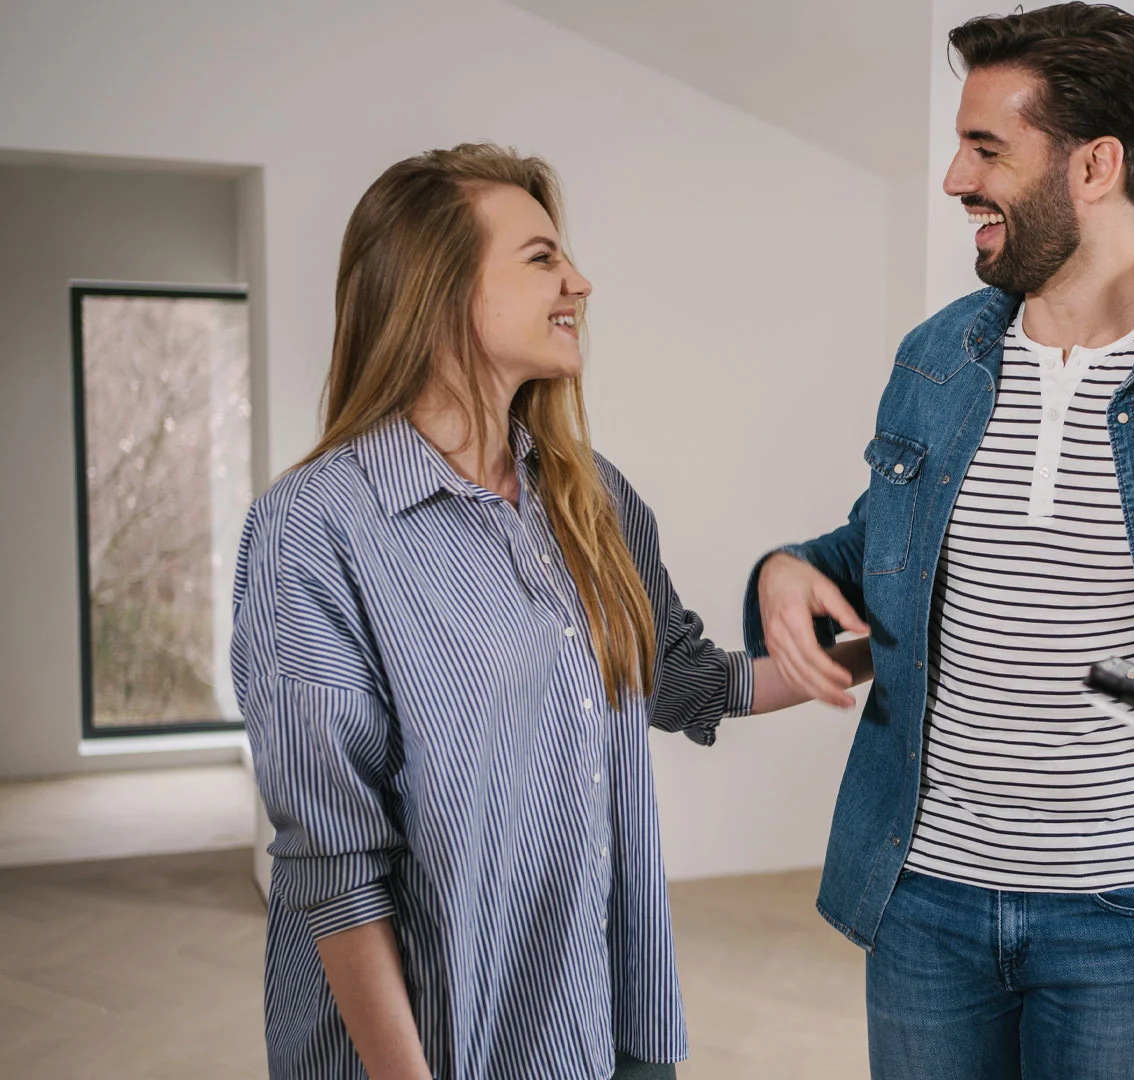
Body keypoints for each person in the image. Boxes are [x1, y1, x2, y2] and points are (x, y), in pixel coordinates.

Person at [744, 5, 1134, 1077]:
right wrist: (786, 570)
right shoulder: (939, 358)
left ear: (1095, 166)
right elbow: (881, 549)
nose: (953, 180)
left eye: (987, 149)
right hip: (925, 899)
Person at [233, 144, 867, 1080]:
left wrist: (882, 650)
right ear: (437, 287)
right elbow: (334, 863)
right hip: (440, 1048)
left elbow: (678, 680)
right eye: (541, 257)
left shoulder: (591, 496)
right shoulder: (317, 528)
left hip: (606, 1021)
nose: (581, 281)